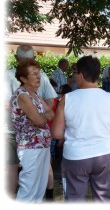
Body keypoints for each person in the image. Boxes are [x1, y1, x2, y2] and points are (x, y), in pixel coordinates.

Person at [51, 55, 110, 202]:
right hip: (105, 154)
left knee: (74, 198)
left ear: (81, 75)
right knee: (105, 199)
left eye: (75, 73)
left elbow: (56, 133)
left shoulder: (67, 99)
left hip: (76, 155)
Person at [5, 44, 57, 199]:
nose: (38, 76)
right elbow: (41, 120)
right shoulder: (22, 95)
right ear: (23, 78)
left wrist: (42, 117)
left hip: (42, 145)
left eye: (38, 73)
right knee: (29, 188)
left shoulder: (34, 94)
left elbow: (49, 114)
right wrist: (42, 117)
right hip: (30, 147)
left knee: (39, 188)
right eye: (33, 74)